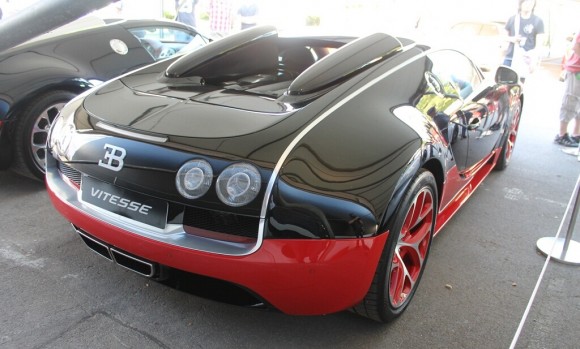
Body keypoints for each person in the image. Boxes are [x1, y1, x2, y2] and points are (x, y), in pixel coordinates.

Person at [502, 0, 545, 82]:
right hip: (510, 58)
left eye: (531, 2)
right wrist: (512, 39)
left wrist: (534, 61)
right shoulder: (513, 19)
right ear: (521, 3)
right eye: (526, 2)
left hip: (525, 60)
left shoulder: (538, 21)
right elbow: (503, 36)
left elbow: (539, 44)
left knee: (517, 88)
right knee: (503, 85)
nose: (528, 4)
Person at [554, 29, 580, 147]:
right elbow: (576, 47)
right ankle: (561, 134)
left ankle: (576, 134)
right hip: (576, 71)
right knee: (571, 100)